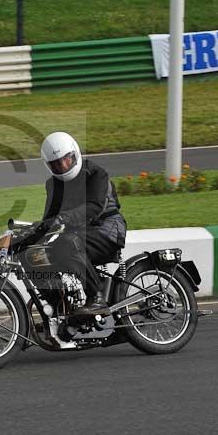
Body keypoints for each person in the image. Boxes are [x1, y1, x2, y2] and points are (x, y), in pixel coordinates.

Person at [38, 131, 127, 315]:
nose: (63, 166)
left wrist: (64, 218)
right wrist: (26, 235)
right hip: (79, 234)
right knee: (35, 253)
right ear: (49, 166)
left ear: (75, 154)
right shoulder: (53, 185)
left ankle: (96, 298)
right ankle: (59, 307)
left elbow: (94, 207)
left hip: (108, 227)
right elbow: (49, 218)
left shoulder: (95, 173)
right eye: (56, 164)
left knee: (67, 243)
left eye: (66, 160)